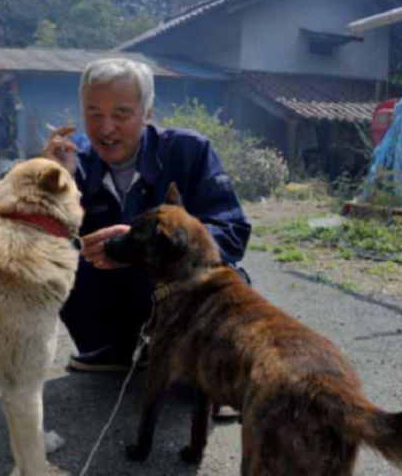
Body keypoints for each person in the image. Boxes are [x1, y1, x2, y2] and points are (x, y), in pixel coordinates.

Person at [42, 58, 252, 373]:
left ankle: (220, 371)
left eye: (121, 114)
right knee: (55, 266)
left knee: (227, 277)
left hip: (180, 292)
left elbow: (232, 232)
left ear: (148, 113)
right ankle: (116, 349)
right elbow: (29, 251)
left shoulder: (189, 151)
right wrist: (53, 186)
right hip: (116, 300)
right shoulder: (72, 166)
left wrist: (148, 244)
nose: (105, 127)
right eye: (93, 113)